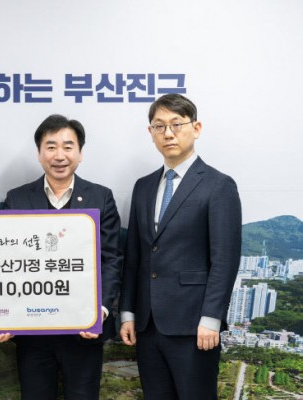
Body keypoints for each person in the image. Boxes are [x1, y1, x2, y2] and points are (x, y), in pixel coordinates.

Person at [119, 94, 242, 399]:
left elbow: (225, 260)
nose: (168, 133)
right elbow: (134, 257)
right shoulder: (143, 186)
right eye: (159, 126)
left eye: (176, 124)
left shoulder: (218, 185)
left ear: (196, 128)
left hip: (194, 325)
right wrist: (128, 312)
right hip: (147, 325)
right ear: (151, 133)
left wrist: (211, 319)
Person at [4, 114, 122, 400]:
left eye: (68, 147)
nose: (59, 155)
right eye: (51, 146)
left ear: (79, 153)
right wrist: (3, 315)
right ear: (39, 153)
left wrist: (100, 311)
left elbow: (111, 259)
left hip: (84, 331)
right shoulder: (17, 199)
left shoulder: (101, 197)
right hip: (32, 333)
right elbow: (5, 263)